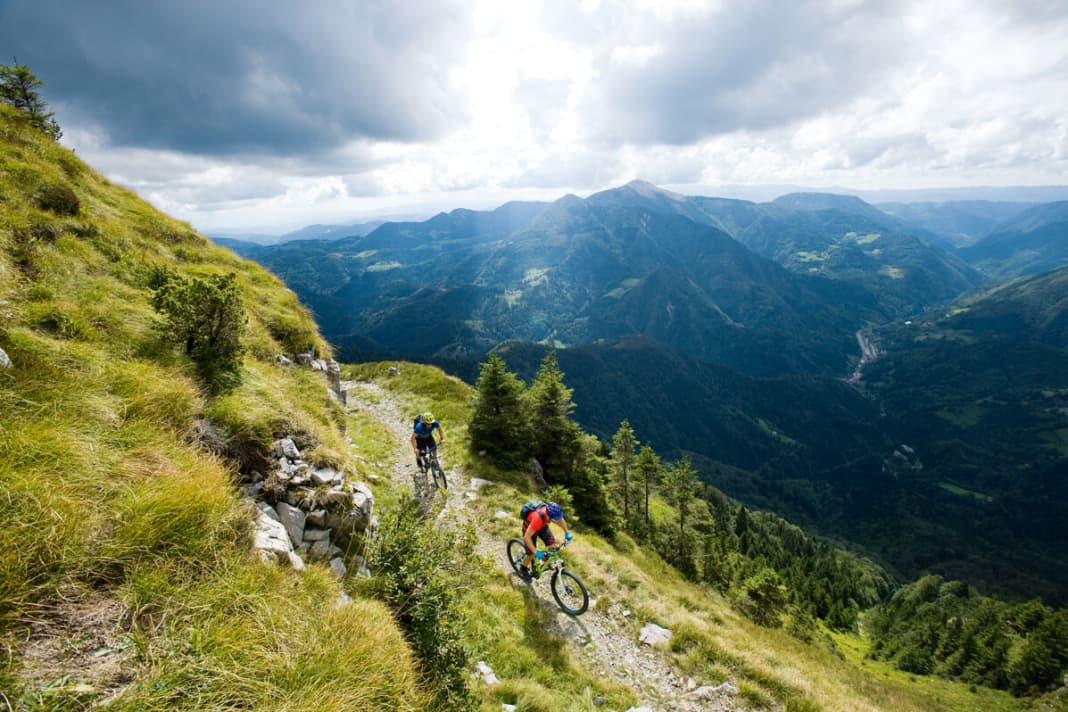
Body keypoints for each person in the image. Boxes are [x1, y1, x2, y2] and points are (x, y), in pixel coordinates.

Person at [519, 500, 573, 580]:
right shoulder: (538, 518)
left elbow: (561, 520)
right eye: (555, 519)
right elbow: (526, 537)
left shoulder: (552, 513)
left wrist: (567, 533)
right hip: (529, 529)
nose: (557, 520)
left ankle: (541, 563)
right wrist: (535, 552)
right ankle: (523, 568)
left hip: (542, 526)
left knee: (552, 545)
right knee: (530, 554)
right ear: (548, 516)